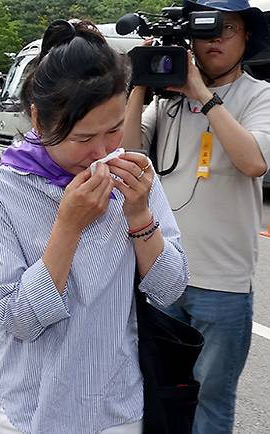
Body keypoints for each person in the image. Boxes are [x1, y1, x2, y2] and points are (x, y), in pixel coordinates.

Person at [0, 20, 189, 434]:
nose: (102, 151)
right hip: (30, 409)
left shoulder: (136, 176)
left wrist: (140, 214)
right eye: (83, 137)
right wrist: (68, 226)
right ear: (38, 118)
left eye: (114, 129)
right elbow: (20, 321)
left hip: (116, 408)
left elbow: (169, 290)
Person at [121, 1, 270, 433]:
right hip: (164, 273)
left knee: (212, 400)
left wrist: (203, 96)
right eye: (207, 31)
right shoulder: (166, 105)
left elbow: (254, 161)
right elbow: (129, 154)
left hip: (222, 284)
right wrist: (140, 86)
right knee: (159, 390)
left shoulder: (258, 96)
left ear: (246, 37)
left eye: (229, 28)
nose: (217, 39)